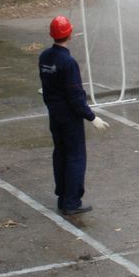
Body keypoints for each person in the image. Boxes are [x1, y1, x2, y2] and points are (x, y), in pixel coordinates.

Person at [39, 15, 109, 215]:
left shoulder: (45, 57)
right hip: (69, 118)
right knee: (75, 157)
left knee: (60, 154)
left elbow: (46, 87)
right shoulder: (68, 62)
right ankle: (71, 201)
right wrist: (92, 117)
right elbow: (75, 95)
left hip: (54, 114)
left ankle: (62, 197)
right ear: (69, 33)